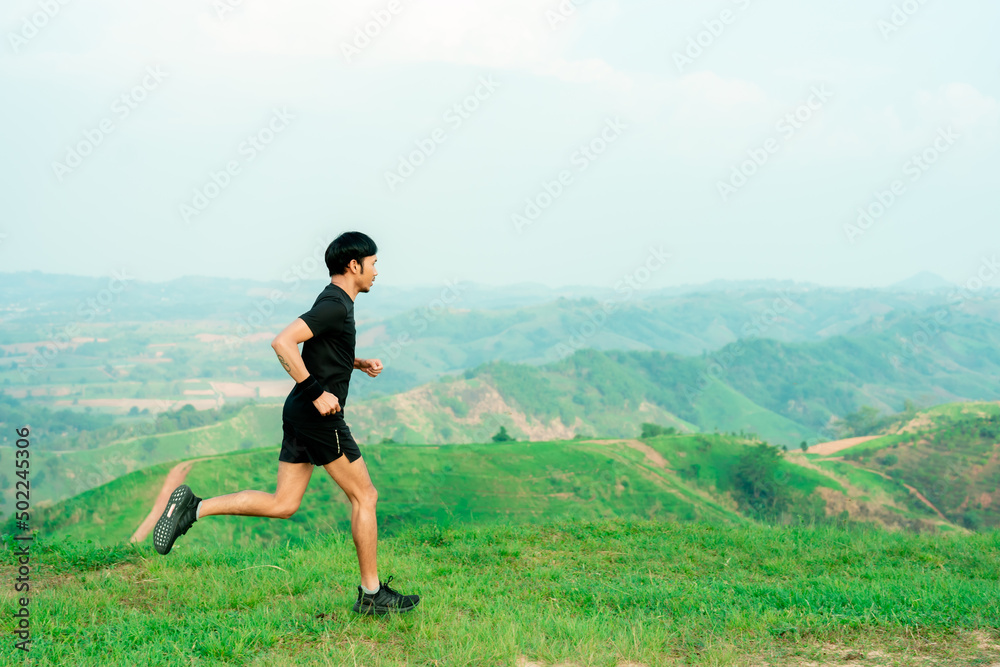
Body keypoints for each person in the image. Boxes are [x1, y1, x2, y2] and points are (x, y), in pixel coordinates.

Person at [151, 231, 419, 615]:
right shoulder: (335, 305)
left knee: (283, 503)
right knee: (366, 496)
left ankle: (194, 508)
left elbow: (323, 347)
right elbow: (282, 342)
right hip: (317, 416)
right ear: (354, 265)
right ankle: (372, 595)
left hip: (299, 412)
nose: (377, 271)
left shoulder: (336, 302)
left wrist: (356, 363)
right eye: (374, 263)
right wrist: (316, 392)